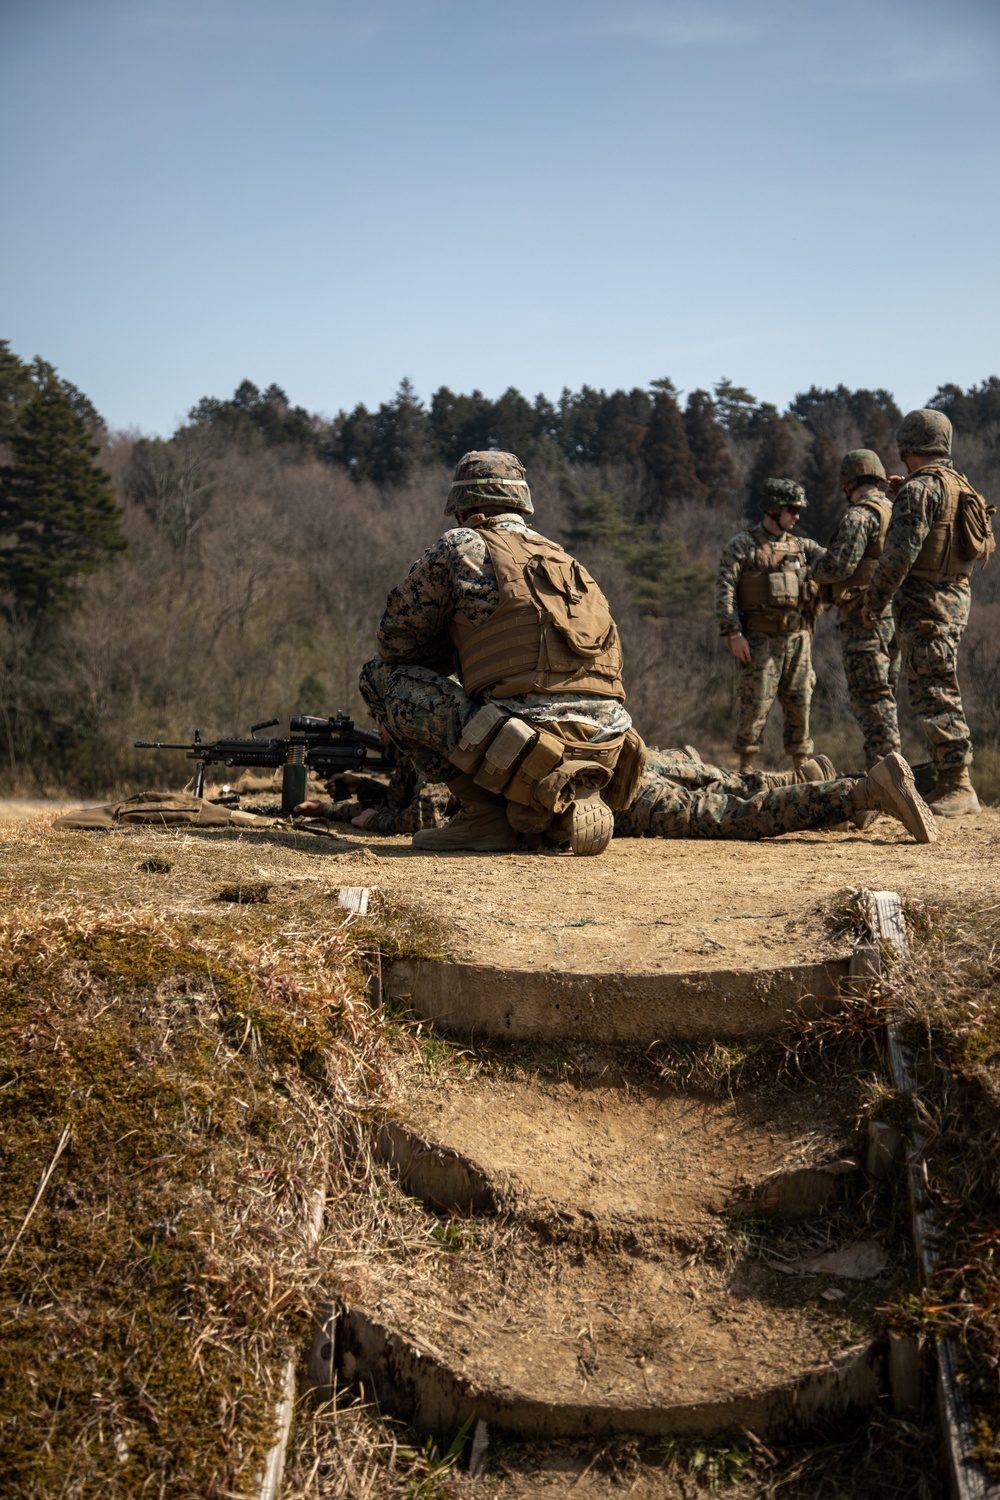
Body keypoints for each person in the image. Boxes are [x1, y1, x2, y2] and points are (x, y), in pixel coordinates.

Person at [358, 450, 645, 855]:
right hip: (609, 741)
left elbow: (396, 643)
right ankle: (549, 804)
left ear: (463, 505)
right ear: (520, 503)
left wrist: (455, 654)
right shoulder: (564, 558)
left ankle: (485, 816)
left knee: (380, 676)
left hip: (524, 737)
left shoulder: (461, 545)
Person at [861, 409, 994, 817]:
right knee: (935, 686)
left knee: (934, 692)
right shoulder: (958, 485)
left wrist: (874, 601)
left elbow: (899, 555)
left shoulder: (922, 490)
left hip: (926, 606)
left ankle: (957, 785)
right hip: (954, 598)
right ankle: (948, 779)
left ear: (908, 447)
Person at [716, 478, 825, 774]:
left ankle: (802, 767)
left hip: (798, 639)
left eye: (798, 510)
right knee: (754, 706)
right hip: (759, 639)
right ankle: (746, 768)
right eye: (792, 510)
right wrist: (733, 633)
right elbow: (725, 588)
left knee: (800, 703)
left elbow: (834, 563)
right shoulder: (743, 545)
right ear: (774, 509)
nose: (797, 516)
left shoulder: (803, 547)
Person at [614, 746, 936, 843]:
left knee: (728, 813)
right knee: (717, 781)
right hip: (617, 744)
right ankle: (803, 784)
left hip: (595, 782)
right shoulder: (585, 597)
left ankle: (862, 793)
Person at [810, 450, 900, 768]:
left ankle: (884, 771)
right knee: (886, 692)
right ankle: (890, 767)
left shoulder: (861, 515)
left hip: (864, 618)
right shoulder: (898, 511)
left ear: (848, 484)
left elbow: (839, 565)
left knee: (870, 697)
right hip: (896, 616)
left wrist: (814, 566)